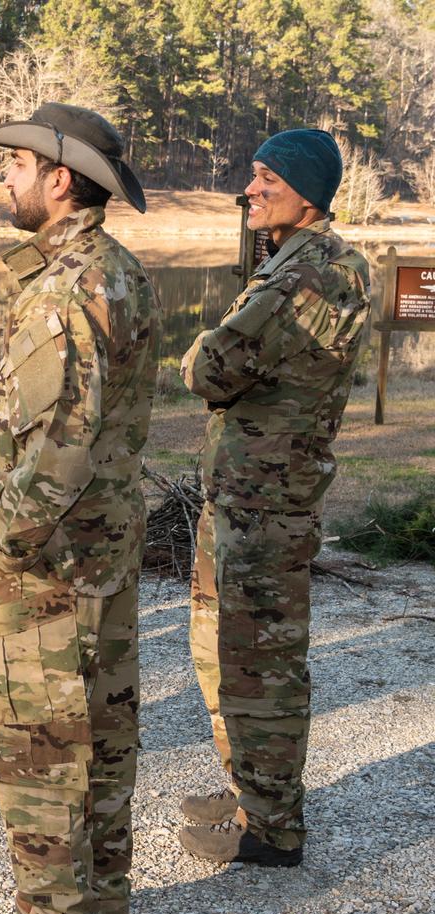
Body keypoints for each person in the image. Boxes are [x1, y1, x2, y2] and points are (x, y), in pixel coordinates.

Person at [0, 103, 161, 914]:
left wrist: (6, 541)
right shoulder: (113, 269)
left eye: (16, 165)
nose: (3, 177)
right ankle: (100, 913)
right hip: (104, 547)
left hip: (54, 558)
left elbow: (61, 445)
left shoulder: (69, 285)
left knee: (39, 743)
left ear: (60, 180)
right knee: (105, 733)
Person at [178, 130, 370, 866]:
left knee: (261, 659)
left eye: (265, 177)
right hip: (240, 495)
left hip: (265, 504)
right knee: (220, 647)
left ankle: (274, 830)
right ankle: (251, 784)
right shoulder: (296, 261)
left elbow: (210, 371)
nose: (249, 189)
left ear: (306, 192)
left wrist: (201, 345)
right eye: (252, 175)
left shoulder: (311, 274)